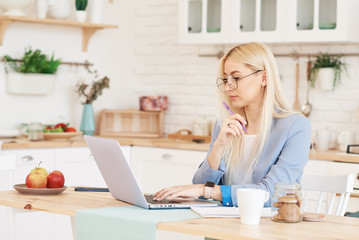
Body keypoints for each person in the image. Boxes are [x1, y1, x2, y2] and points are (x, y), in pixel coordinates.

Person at [154, 42, 311, 207]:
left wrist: (206, 190)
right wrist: (218, 146)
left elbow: (273, 193)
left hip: (269, 225)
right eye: (225, 79)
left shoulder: (296, 127)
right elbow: (199, 183)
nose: (228, 87)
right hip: (225, 221)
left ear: (263, 78)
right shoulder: (225, 124)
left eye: (235, 78)